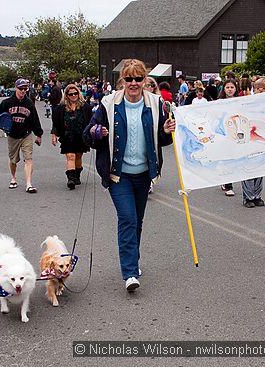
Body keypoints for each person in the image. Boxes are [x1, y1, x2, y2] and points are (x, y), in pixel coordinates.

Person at [82, 59, 175, 291]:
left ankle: (133, 261)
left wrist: (166, 132)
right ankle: (130, 273)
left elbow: (162, 140)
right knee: (128, 219)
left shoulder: (156, 103)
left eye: (138, 79)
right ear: (122, 81)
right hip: (118, 175)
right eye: (129, 79)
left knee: (137, 222)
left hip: (144, 174)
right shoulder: (107, 104)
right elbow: (88, 134)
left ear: (145, 81)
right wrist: (97, 132)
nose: (134, 83)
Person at [0, 78, 43, 193]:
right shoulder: (7, 103)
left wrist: (39, 134)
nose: (23, 91)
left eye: (25, 89)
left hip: (26, 134)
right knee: (13, 160)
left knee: (28, 159)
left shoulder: (29, 103)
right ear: (16, 88)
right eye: (21, 88)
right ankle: (13, 178)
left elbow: (34, 119)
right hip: (12, 134)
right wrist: (2, 125)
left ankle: (29, 184)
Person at [51, 84, 92, 190]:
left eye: (75, 93)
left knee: (78, 156)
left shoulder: (85, 107)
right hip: (67, 137)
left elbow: (91, 121)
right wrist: (54, 135)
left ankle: (77, 174)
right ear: (67, 95)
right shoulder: (60, 108)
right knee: (70, 156)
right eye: (71, 94)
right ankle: (71, 179)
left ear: (79, 94)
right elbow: (55, 123)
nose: (73, 95)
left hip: (81, 136)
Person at [241, 77, 265, 208]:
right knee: (249, 167)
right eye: (258, 88)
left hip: (262, 140)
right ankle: (248, 197)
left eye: (263, 88)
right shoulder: (248, 102)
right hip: (249, 138)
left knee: (260, 167)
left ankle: (257, 195)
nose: (261, 90)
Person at [218, 78, 239, 197]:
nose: (230, 89)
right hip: (224, 133)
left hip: (237, 133)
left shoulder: (240, 101)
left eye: (232, 87)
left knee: (235, 157)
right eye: (227, 87)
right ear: (224, 89)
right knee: (227, 158)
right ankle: (228, 185)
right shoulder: (220, 102)